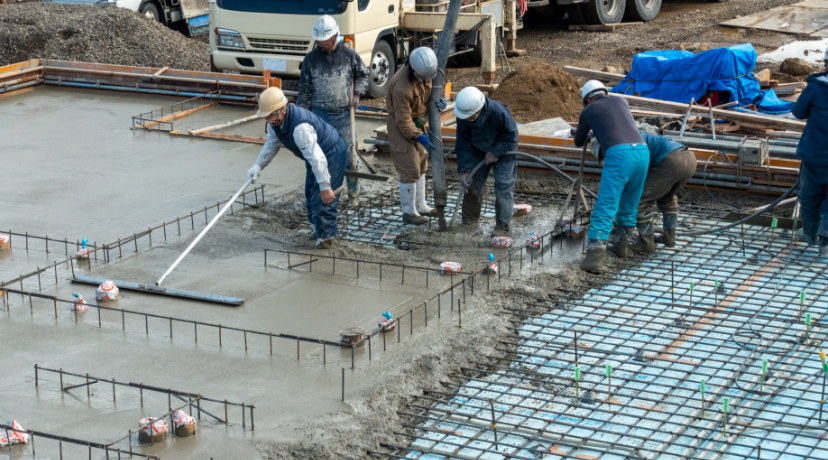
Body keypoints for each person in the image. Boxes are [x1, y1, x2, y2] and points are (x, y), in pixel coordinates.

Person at [247, 87, 347, 249]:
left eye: (270, 115)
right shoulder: (276, 122)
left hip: (331, 152)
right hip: (315, 155)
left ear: (281, 111)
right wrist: (258, 166)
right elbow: (272, 144)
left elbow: (318, 159)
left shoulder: (300, 128)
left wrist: (326, 187)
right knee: (310, 192)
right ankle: (317, 231)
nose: (268, 119)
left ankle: (326, 239)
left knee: (321, 198)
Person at [574, 80, 649, 273]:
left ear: (588, 100)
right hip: (642, 152)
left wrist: (589, 133)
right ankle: (622, 247)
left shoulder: (589, 110)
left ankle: (594, 258)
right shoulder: (621, 101)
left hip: (620, 155)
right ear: (604, 92)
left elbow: (578, 141)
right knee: (629, 204)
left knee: (606, 206)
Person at [297, 15, 369, 209]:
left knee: (349, 157)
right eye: (319, 40)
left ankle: (353, 196)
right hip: (319, 116)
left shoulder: (349, 55)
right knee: (316, 159)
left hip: (344, 115)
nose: (321, 43)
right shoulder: (310, 60)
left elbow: (364, 74)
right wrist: (302, 117)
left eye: (325, 40)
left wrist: (357, 94)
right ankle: (315, 199)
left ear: (335, 35)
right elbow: (304, 90)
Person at [386, 47, 447, 225]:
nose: (425, 81)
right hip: (401, 125)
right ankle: (409, 212)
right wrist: (419, 136)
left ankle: (421, 206)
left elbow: (431, 92)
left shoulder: (427, 71)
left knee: (421, 163)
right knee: (409, 167)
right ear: (412, 70)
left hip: (419, 120)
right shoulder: (401, 87)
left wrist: (438, 100)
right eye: (422, 78)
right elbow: (403, 121)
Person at [453, 87, 519, 235]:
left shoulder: (498, 112)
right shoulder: (464, 115)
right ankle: (469, 220)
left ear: (477, 111)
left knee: (504, 186)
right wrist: (464, 170)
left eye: (468, 116)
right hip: (478, 149)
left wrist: (495, 152)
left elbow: (511, 136)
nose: (465, 119)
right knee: (472, 184)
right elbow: (463, 145)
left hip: (505, 150)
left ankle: (502, 226)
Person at [622, 132, 696, 255]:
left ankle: (646, 243)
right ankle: (669, 238)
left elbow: (635, 171)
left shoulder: (623, 144)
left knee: (641, 200)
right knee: (667, 197)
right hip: (689, 157)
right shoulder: (633, 135)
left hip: (670, 160)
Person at [791, 47, 828, 257]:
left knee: (811, 196)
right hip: (815, 154)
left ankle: (810, 234)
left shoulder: (816, 86)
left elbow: (797, 113)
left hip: (814, 154)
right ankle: (825, 243)